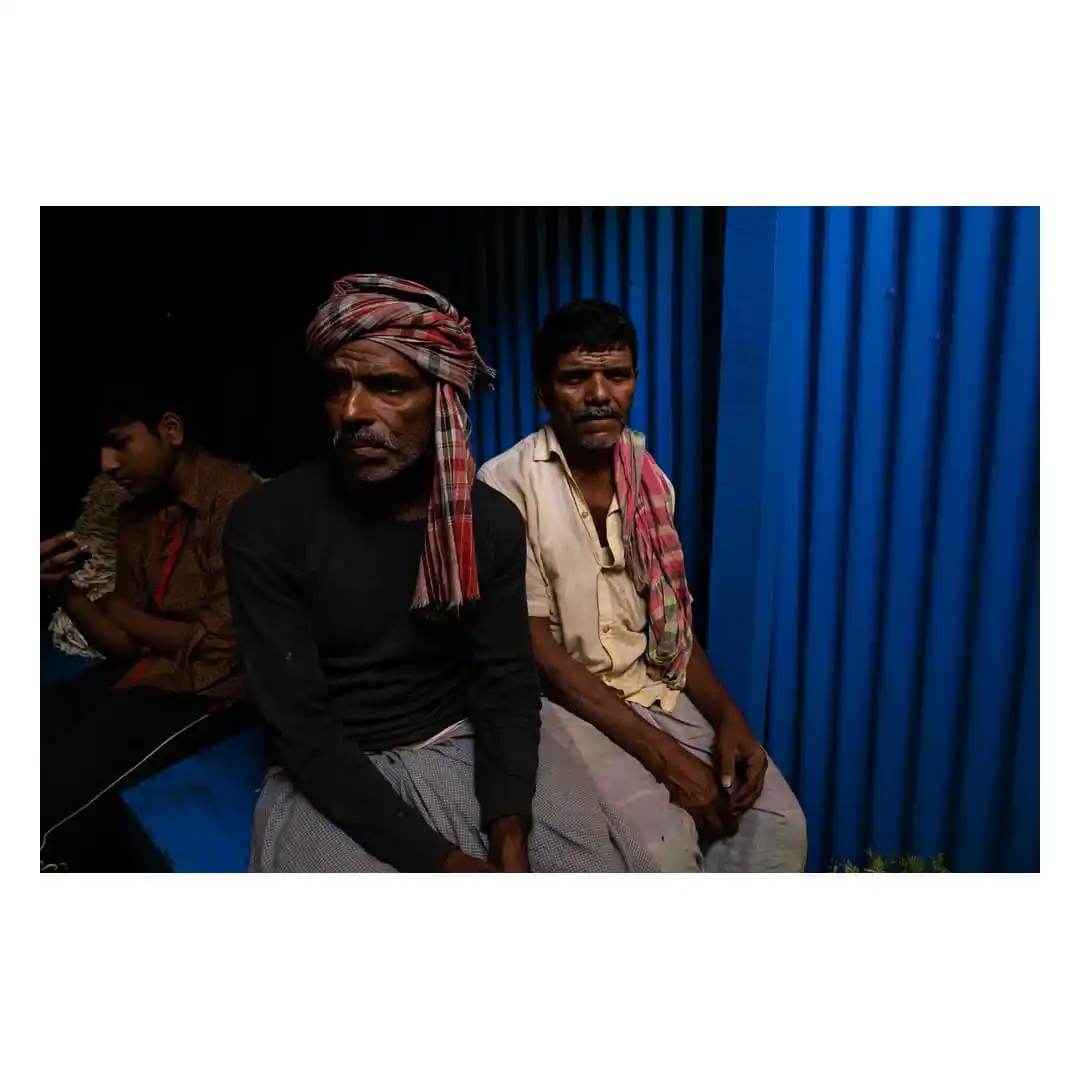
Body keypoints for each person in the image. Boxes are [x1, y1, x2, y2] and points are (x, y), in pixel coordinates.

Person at [223, 275, 655, 873]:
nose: (353, 411)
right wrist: (446, 864)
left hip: (462, 735)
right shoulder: (267, 525)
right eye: (338, 385)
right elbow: (303, 729)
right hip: (337, 767)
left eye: (389, 387)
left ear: (444, 402)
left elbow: (505, 684)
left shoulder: (490, 522)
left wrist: (509, 835)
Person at [478, 299, 807, 872]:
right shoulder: (505, 484)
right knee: (662, 849)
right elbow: (540, 654)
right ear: (542, 391)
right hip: (563, 707)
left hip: (654, 688)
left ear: (634, 382)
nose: (599, 395)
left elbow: (671, 625)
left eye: (617, 375)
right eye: (575, 378)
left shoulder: (650, 482)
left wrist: (730, 718)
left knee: (778, 824)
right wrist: (665, 757)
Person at [40, 375, 261, 870]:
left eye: (119, 444)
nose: (107, 464)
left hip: (214, 691)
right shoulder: (136, 515)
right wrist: (61, 588)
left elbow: (220, 651)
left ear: (171, 431)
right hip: (148, 673)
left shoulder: (238, 502)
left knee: (54, 796)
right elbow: (124, 646)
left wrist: (123, 613)